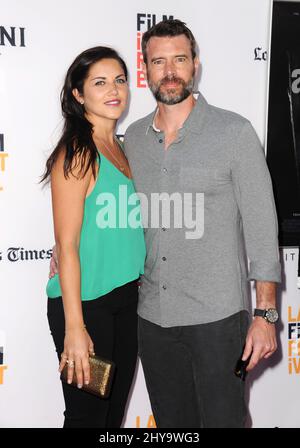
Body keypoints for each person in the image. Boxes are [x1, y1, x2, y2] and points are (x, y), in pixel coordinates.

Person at [50, 20, 281, 428]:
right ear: (147, 70)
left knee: (226, 420)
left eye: (179, 59)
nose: (170, 70)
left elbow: (263, 227)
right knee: (155, 423)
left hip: (218, 322)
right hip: (149, 321)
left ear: (195, 65)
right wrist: (66, 250)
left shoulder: (235, 132)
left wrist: (265, 315)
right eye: (159, 61)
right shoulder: (132, 140)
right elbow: (94, 214)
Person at [43, 46, 146, 428]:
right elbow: (66, 246)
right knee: (88, 417)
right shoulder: (77, 153)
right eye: (99, 83)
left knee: (112, 417)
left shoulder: (124, 149)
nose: (114, 90)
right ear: (78, 94)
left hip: (127, 301)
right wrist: (75, 328)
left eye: (119, 80)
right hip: (87, 307)